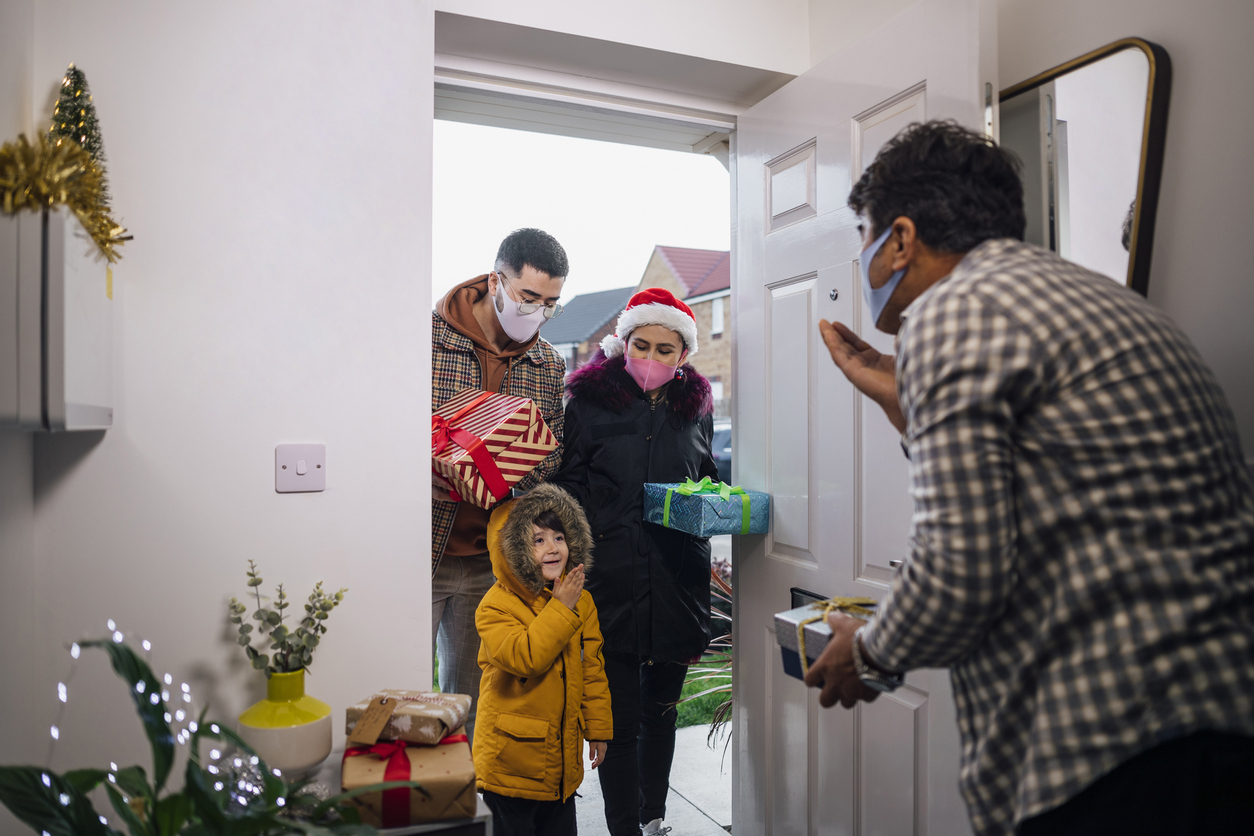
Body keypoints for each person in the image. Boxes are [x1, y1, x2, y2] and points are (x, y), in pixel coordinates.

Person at [804, 119, 1254, 836]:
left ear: (901, 238)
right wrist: (905, 406)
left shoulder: (951, 312)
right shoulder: (1103, 301)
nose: (862, 257)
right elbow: (1048, 495)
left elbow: (961, 574)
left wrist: (865, 653)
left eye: (865, 234)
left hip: (1113, 752)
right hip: (1215, 729)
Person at [551, 288, 719, 836]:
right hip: (610, 581)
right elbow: (568, 487)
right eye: (640, 345)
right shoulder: (588, 403)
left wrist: (719, 507)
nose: (650, 357)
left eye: (664, 349)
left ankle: (653, 818)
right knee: (617, 720)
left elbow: (707, 479)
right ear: (622, 343)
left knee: (661, 712)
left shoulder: (695, 409)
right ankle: (624, 827)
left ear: (683, 355)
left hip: (675, 580)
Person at [432, 228, 568, 744]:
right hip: (420, 550)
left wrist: (501, 474)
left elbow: (553, 450)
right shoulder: (425, 340)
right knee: (399, 691)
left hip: (489, 561)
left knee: (470, 704)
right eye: (528, 297)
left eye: (550, 304)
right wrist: (429, 474)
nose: (537, 312)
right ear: (495, 281)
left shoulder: (547, 363)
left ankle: (464, 789)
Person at [475, 483, 613, 835]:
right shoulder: (494, 607)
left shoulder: (581, 601)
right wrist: (561, 608)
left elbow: (591, 668)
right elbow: (527, 658)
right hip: (509, 766)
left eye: (559, 537)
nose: (552, 548)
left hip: (560, 765)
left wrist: (597, 729)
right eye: (538, 540)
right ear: (513, 550)